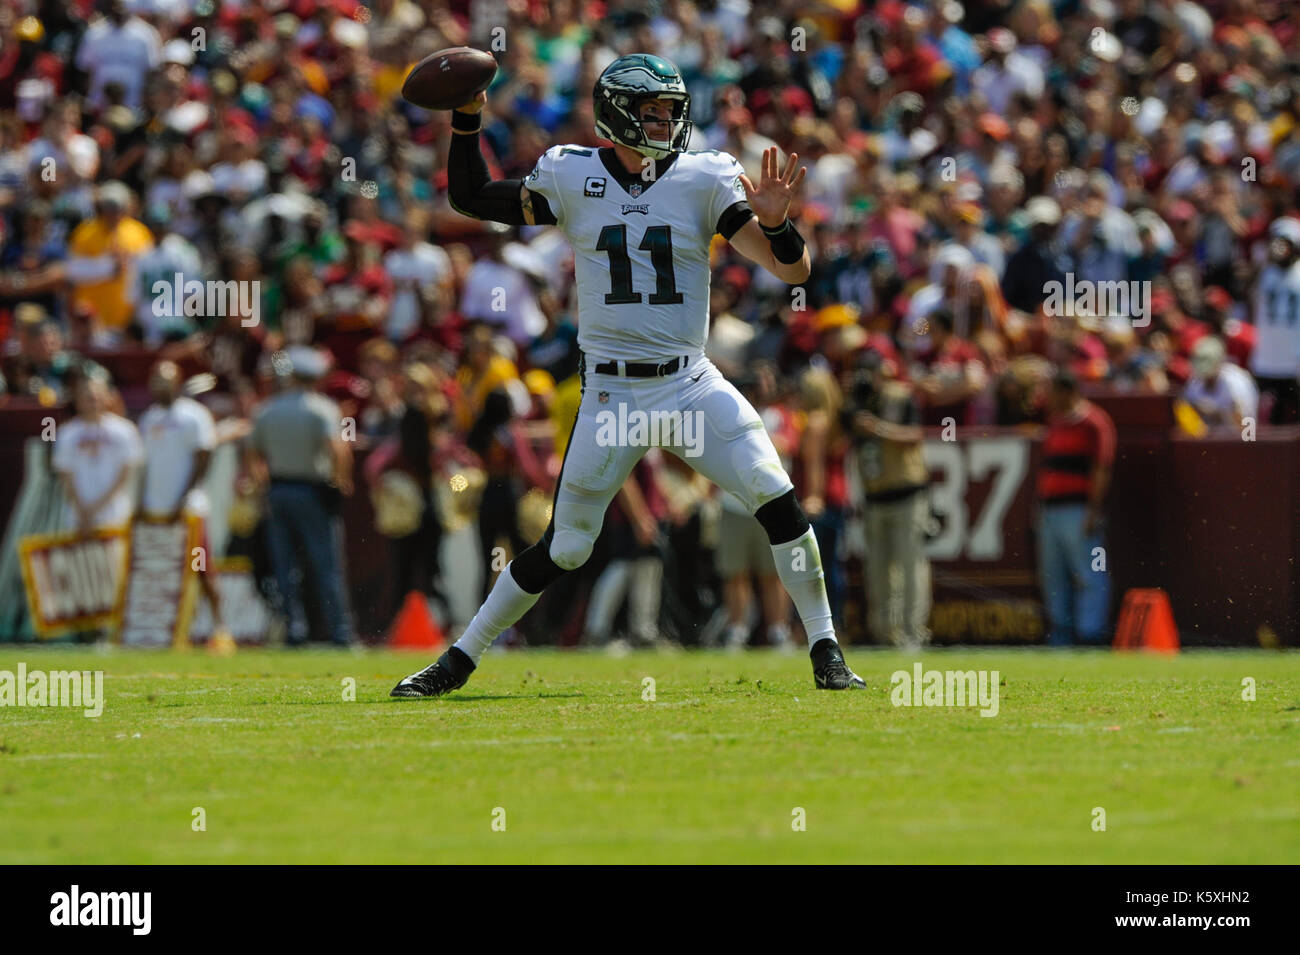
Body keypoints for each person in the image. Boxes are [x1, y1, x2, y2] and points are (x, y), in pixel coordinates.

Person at [393, 54, 866, 696]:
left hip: (689, 382)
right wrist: (469, 116)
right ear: (617, 113)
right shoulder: (570, 172)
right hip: (613, 392)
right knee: (567, 546)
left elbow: (794, 272)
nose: (668, 121)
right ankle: (458, 660)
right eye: (653, 111)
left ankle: (826, 650)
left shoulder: (705, 176)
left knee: (774, 495)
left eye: (673, 110)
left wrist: (779, 223)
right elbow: (472, 196)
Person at [249, 347, 355, 647]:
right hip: (312, 491)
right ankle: (340, 632)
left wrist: (262, 486)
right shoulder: (322, 409)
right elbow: (338, 450)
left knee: (285, 566)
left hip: (278, 490)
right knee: (326, 564)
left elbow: (253, 453)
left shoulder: (267, 410)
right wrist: (342, 481)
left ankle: (294, 630)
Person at [138, 360, 233, 652]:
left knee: (202, 568)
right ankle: (167, 632)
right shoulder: (148, 418)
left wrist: (183, 499)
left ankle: (220, 630)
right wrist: (142, 501)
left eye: (166, 380)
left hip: (189, 509)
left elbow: (203, 458)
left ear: (179, 382)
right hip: (155, 509)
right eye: (155, 380)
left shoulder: (194, 415)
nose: (160, 386)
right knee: (159, 572)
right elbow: (144, 465)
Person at [848, 352, 932, 649]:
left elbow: (916, 435)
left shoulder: (901, 397)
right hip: (874, 496)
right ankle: (885, 634)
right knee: (878, 571)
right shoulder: (856, 402)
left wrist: (878, 428)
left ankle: (913, 632)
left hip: (906, 492)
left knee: (910, 566)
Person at [1036, 370, 1115, 645]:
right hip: (1050, 510)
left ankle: (1090, 634)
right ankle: (1061, 634)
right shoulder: (1055, 422)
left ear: (1067, 392)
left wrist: (1094, 510)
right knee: (1053, 576)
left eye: (1053, 392)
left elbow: (1101, 468)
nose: (1048, 399)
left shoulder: (1094, 421)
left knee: (1089, 572)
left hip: (1078, 509)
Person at [52, 369, 143, 534]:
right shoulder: (67, 434)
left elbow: (125, 474)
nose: (92, 400)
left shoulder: (125, 430)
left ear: (106, 397)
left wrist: (97, 508)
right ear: (76, 400)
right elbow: (66, 476)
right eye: (87, 396)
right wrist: (83, 511)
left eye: (96, 395)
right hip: (78, 518)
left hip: (115, 516)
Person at [1250, 217, 1300, 424]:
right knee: (1269, 422)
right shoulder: (1264, 272)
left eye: (1285, 242)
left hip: (1294, 361)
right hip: (1266, 360)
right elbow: (1245, 291)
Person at [1182, 336, 1258, 431]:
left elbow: (1248, 432)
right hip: (1204, 444)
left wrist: (1221, 414)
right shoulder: (1194, 383)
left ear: (1220, 362)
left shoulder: (1238, 384)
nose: (1205, 374)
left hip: (1236, 444)